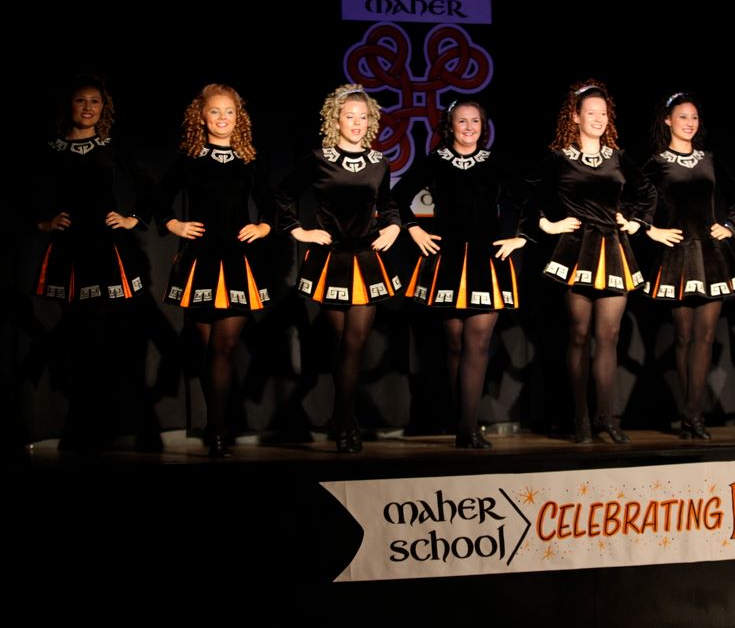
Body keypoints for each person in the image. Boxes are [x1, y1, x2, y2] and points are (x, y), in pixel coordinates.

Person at [393, 98, 527, 449]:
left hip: (487, 261)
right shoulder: (435, 161)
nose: (469, 127)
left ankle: (468, 427)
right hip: (447, 261)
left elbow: (530, 199)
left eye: (475, 121)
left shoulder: (495, 162)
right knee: (454, 344)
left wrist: (520, 238)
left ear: (484, 126)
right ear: (450, 126)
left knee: (477, 342)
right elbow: (395, 196)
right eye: (462, 121)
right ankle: (463, 422)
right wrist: (413, 229)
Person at [276, 84, 402, 453]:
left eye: (363, 117)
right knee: (342, 343)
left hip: (367, 260)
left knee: (354, 342)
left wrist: (393, 226)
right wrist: (299, 230)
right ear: (336, 120)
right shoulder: (319, 159)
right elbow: (283, 194)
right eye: (350, 116)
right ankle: (345, 418)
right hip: (331, 261)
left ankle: (344, 421)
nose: (357, 122)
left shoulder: (379, 161)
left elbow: (389, 203)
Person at [152, 84, 274, 457]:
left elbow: (271, 205)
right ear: (201, 117)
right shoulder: (190, 158)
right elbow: (159, 198)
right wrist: (174, 225)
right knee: (205, 349)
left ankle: (219, 432)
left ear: (239, 118)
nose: (223, 118)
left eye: (229, 111)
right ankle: (214, 424)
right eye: (215, 111)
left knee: (226, 346)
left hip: (238, 262)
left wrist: (263, 227)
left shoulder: (248, 159)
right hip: (200, 262)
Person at [34, 74, 152, 451]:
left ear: (104, 108)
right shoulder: (51, 148)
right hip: (70, 251)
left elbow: (150, 189)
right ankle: (79, 424)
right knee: (76, 338)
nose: (88, 107)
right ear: (68, 105)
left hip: (106, 251)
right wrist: (43, 222)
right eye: (81, 100)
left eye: (95, 101)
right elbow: (21, 189)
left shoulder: (111, 147)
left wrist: (133, 218)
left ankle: (96, 425)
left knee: (103, 339)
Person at [535, 80, 656, 443]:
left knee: (609, 336)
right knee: (579, 335)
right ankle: (581, 417)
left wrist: (635, 221)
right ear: (575, 116)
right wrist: (547, 223)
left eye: (603, 113)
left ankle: (607, 417)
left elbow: (647, 192)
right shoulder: (559, 157)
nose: (598, 119)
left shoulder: (617, 157)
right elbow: (531, 194)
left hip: (614, 251)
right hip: (575, 250)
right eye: (591, 113)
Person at [641, 92, 735, 439]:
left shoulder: (709, 160)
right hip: (678, 256)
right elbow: (630, 199)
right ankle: (689, 414)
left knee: (705, 335)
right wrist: (651, 230)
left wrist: (729, 226)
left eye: (694, 118)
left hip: (711, 255)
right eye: (683, 117)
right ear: (667, 120)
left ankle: (693, 415)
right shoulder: (657, 163)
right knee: (684, 336)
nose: (689, 123)